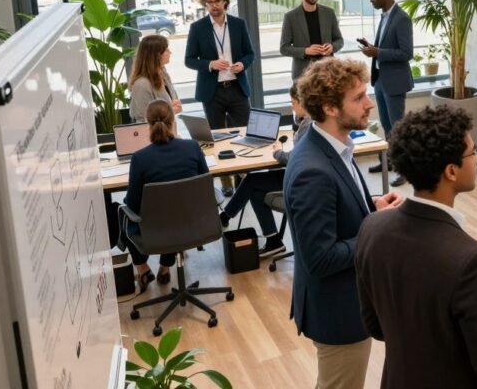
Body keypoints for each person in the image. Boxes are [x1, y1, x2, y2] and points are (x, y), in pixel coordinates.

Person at [356, 105, 477, 388]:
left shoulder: (372, 227)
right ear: (451, 171)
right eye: (473, 152)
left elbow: (375, 327)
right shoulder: (472, 260)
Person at [282, 57, 403, 389]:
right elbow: (320, 258)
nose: (369, 104)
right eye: (359, 97)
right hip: (338, 311)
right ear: (330, 108)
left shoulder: (333, 147)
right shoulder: (313, 171)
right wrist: (376, 227)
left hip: (348, 301)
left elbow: (339, 210)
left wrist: (372, 207)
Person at [122, 100, 209, 291]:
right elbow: (206, 187)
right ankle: (164, 267)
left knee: (124, 212)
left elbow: (133, 204)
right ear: (173, 121)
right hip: (195, 225)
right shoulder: (193, 148)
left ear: (148, 124)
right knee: (175, 210)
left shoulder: (140, 158)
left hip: (158, 231)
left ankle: (143, 269)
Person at [219, 84, 312, 257]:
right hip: (298, 174)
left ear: (304, 102)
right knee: (255, 189)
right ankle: (273, 240)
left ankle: (225, 217)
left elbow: (295, 158)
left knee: (253, 181)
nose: (291, 106)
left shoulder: (309, 125)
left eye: (293, 103)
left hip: (300, 180)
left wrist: (277, 153)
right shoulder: (305, 121)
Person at [359, 0, 413, 187]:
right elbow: (386, 47)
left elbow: (407, 53)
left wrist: (378, 52)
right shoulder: (385, 17)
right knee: (386, 125)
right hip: (381, 79)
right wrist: (373, 48)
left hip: (395, 82)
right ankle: (390, 161)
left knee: (398, 127)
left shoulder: (402, 19)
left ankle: (405, 169)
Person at [184, 0, 255, 129]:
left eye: (217, 1)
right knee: (217, 135)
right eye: (210, 2)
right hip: (212, 91)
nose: (214, 5)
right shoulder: (197, 28)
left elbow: (250, 54)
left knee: (245, 131)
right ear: (206, 4)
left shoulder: (238, 24)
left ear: (225, 2)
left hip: (237, 88)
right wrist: (210, 64)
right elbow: (189, 60)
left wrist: (242, 64)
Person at [280, 0, 344, 81]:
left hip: (328, 74)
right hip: (303, 76)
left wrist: (332, 47)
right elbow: (284, 48)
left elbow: (339, 40)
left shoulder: (329, 13)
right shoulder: (290, 17)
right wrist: (306, 51)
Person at [129, 34, 182, 122]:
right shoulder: (141, 84)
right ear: (156, 55)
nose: (170, 52)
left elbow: (173, 101)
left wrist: (174, 106)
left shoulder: (163, 74)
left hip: (168, 130)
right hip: (153, 134)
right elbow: (143, 119)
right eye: (166, 50)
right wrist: (170, 111)